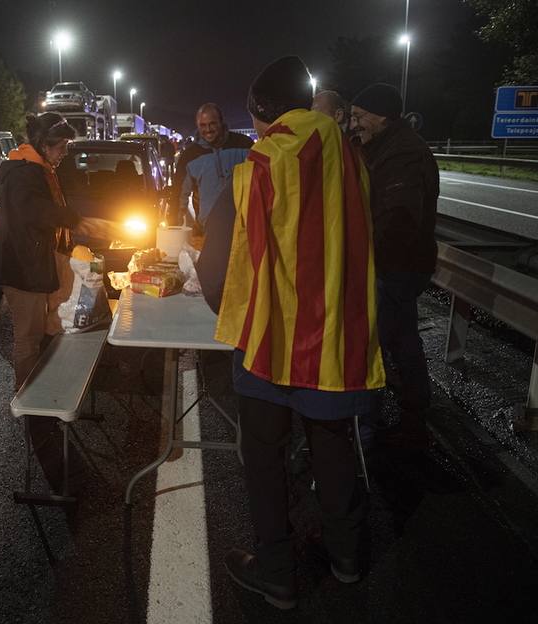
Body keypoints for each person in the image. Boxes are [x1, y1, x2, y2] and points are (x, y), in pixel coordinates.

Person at [197, 56, 385, 609]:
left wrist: (233, 309)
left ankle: (276, 569)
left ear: (263, 115)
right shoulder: (350, 157)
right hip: (335, 340)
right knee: (332, 446)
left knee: (263, 454)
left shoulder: (255, 168)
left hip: (270, 344)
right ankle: (346, 555)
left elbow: (214, 273)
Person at [350, 83, 439, 453]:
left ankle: (367, 428)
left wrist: (375, 268)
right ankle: (412, 420)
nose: (355, 124)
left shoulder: (403, 153)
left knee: (372, 345)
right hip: (398, 266)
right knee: (403, 343)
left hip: (397, 268)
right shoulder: (385, 146)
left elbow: (400, 218)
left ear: (381, 116)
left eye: (359, 117)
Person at [0, 113, 97, 390]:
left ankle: (40, 385)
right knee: (28, 337)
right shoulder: (24, 172)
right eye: (63, 146)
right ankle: (28, 397)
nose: (66, 152)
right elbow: (33, 209)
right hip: (22, 267)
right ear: (45, 145)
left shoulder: (40, 169)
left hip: (34, 262)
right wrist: (74, 219)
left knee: (44, 329)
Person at [170, 103, 253, 232]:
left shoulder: (244, 145)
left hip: (246, 226)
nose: (208, 129)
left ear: (221, 122)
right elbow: (179, 195)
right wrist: (173, 228)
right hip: (210, 228)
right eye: (203, 125)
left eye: (212, 123)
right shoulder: (189, 156)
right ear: (197, 125)